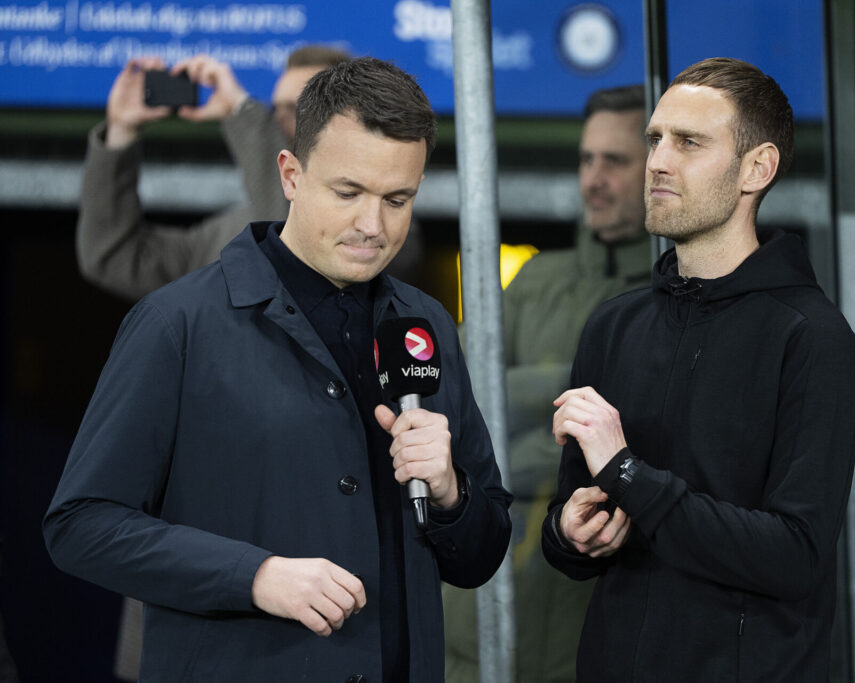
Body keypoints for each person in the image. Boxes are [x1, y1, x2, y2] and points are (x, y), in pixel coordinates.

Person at [44, 57, 512, 682]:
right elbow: (81, 526)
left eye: (398, 199)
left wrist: (452, 493)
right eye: (348, 193)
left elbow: (480, 555)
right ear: (290, 175)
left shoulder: (424, 326)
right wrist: (255, 577)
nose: (372, 226)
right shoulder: (177, 323)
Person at [541, 57, 855, 681]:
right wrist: (568, 532)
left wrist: (628, 473)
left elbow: (795, 555)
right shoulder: (614, 326)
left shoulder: (813, 342)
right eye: (656, 140)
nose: (659, 161)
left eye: (689, 143)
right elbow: (570, 530)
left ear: (757, 168)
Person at [442, 85, 651, 683]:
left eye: (615, 160)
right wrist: (570, 395)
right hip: (475, 622)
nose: (594, 178)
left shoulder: (671, 295)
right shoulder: (535, 276)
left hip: (588, 624)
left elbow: (643, 440)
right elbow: (459, 400)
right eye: (587, 159)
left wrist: (506, 437)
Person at [76, 46, 347, 300]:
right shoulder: (230, 234)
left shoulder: (366, 230)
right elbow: (115, 257)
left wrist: (240, 110)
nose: (276, 121)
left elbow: (290, 229)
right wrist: (120, 132)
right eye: (274, 109)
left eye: (299, 109)